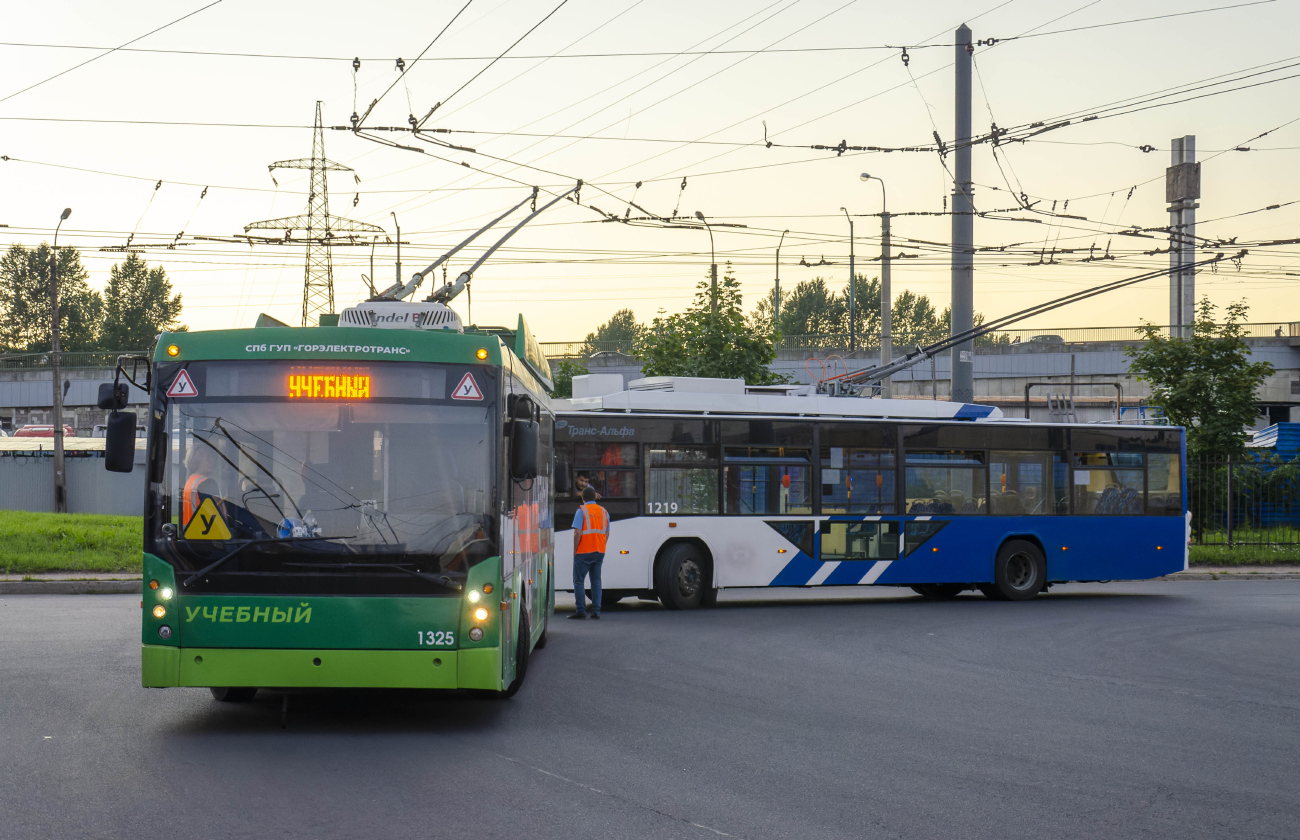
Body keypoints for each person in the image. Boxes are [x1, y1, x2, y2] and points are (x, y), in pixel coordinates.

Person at [570, 486, 609, 620]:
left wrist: (575, 550)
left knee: (579, 581)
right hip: (599, 551)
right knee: (596, 581)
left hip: (584, 552)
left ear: (583, 498)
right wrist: (601, 545)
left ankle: (581, 611)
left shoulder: (582, 511)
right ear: (594, 497)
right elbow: (607, 532)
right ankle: (596, 611)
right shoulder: (604, 512)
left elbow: (577, 533)